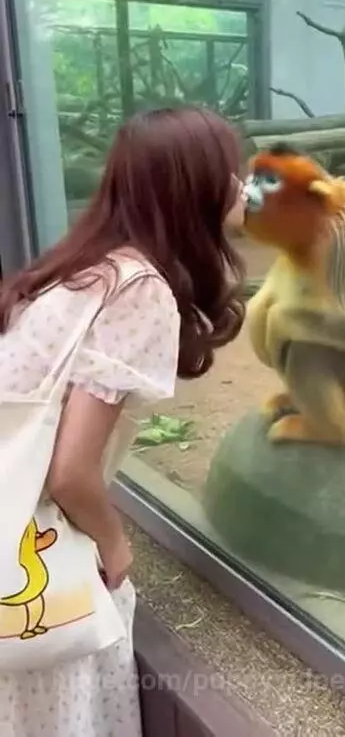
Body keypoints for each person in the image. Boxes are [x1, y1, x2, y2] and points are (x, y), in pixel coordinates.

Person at [0, 106, 246, 737]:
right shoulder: (138, 289)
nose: (243, 188)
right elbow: (72, 472)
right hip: (32, 545)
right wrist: (115, 543)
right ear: (193, 187)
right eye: (232, 172)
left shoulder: (82, 270)